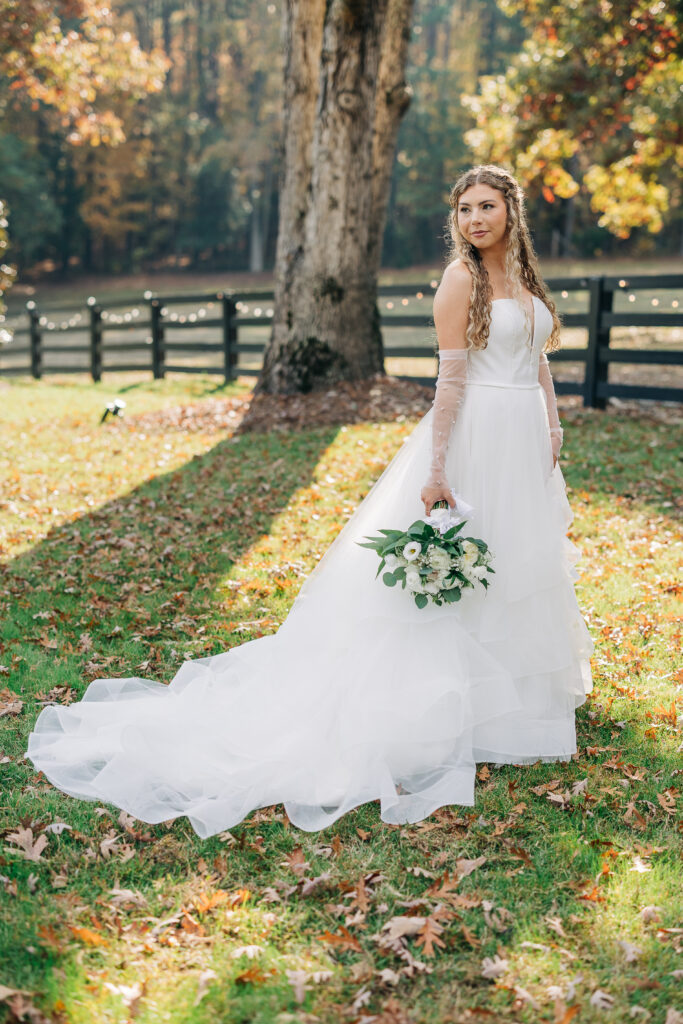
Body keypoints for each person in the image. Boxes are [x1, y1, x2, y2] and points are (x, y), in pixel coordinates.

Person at [26, 164, 593, 838]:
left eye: (487, 207)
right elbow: (448, 384)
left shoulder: (524, 281)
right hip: (477, 439)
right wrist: (436, 467)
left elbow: (535, 360)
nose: (475, 219)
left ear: (510, 211)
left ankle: (514, 705)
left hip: (524, 438)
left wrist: (553, 425)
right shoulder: (459, 281)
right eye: (465, 208)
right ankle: (455, 710)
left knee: (517, 565)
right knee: (464, 573)